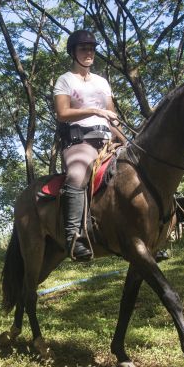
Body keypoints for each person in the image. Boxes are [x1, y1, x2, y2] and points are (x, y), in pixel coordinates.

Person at [54, 30, 124, 262]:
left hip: (107, 139)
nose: (89, 52)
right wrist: (94, 110)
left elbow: (111, 115)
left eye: (92, 48)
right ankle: (75, 238)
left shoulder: (102, 82)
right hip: (80, 142)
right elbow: (63, 113)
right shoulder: (65, 80)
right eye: (84, 48)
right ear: (73, 52)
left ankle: (152, 233)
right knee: (76, 175)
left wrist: (124, 138)